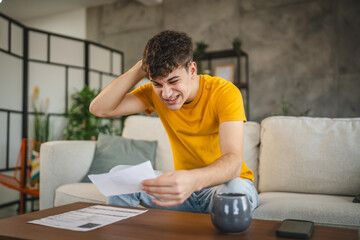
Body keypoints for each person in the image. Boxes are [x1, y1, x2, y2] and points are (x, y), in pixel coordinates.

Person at [89, 30, 258, 213]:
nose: (166, 94)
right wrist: (140, 68)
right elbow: (100, 108)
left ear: (192, 70)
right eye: (158, 84)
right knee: (119, 175)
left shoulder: (224, 92)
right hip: (183, 194)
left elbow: (233, 163)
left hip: (223, 187)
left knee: (236, 191)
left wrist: (191, 180)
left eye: (174, 81)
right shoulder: (154, 94)